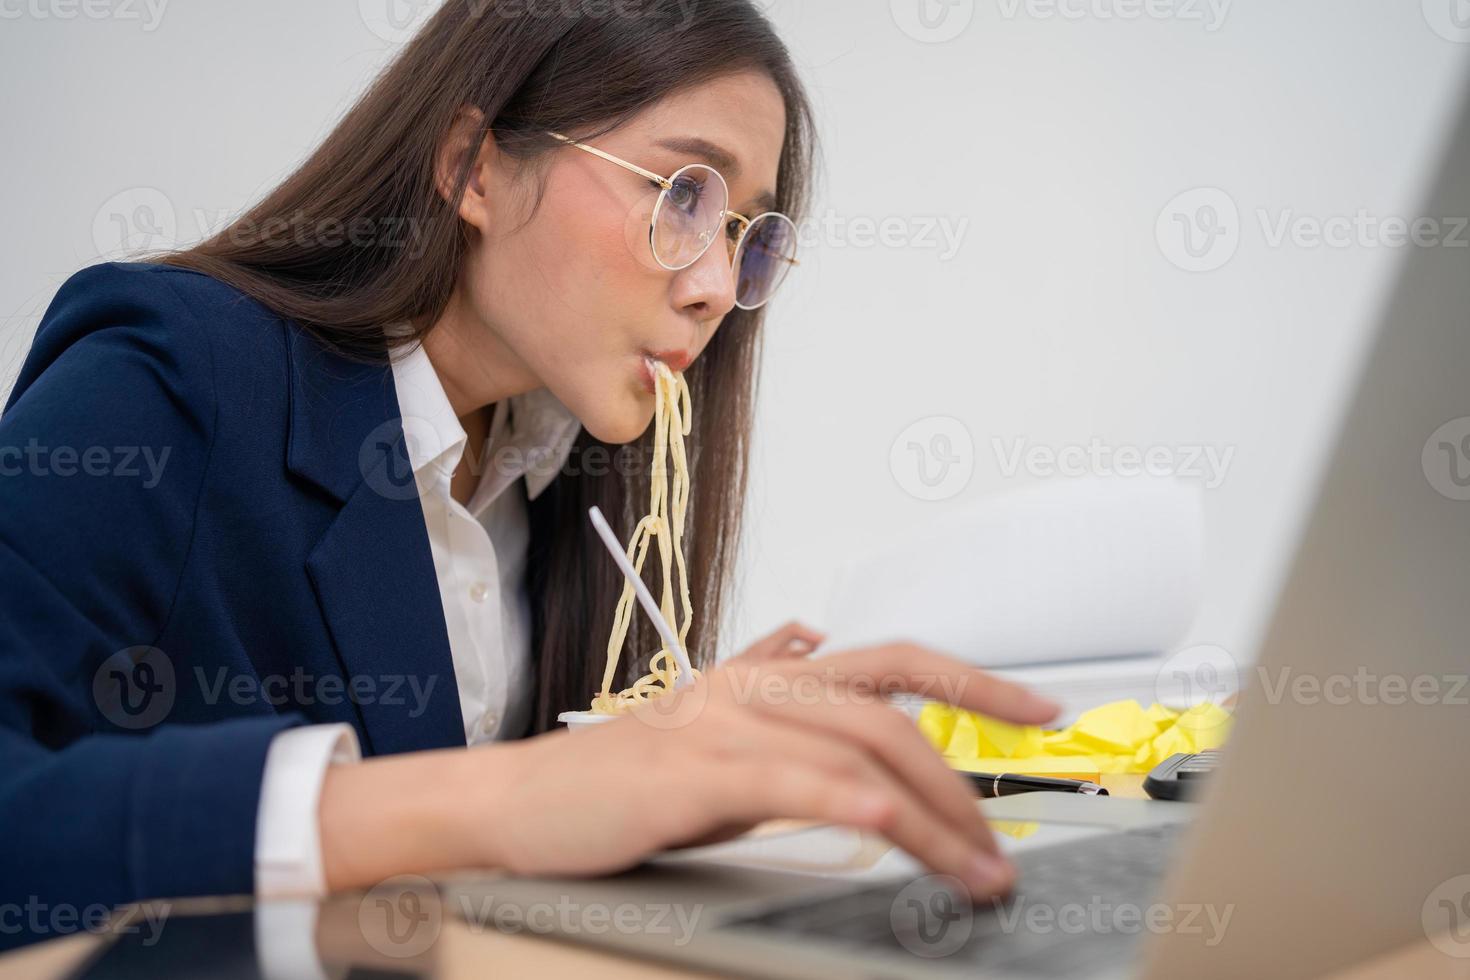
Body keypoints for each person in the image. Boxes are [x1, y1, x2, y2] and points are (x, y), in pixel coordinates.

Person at [0, 0, 1058, 949]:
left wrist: (680, 755)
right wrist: (503, 795)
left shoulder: (566, 470)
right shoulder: (172, 375)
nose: (716, 286)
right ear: (474, 167)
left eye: (746, 233)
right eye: (684, 192)